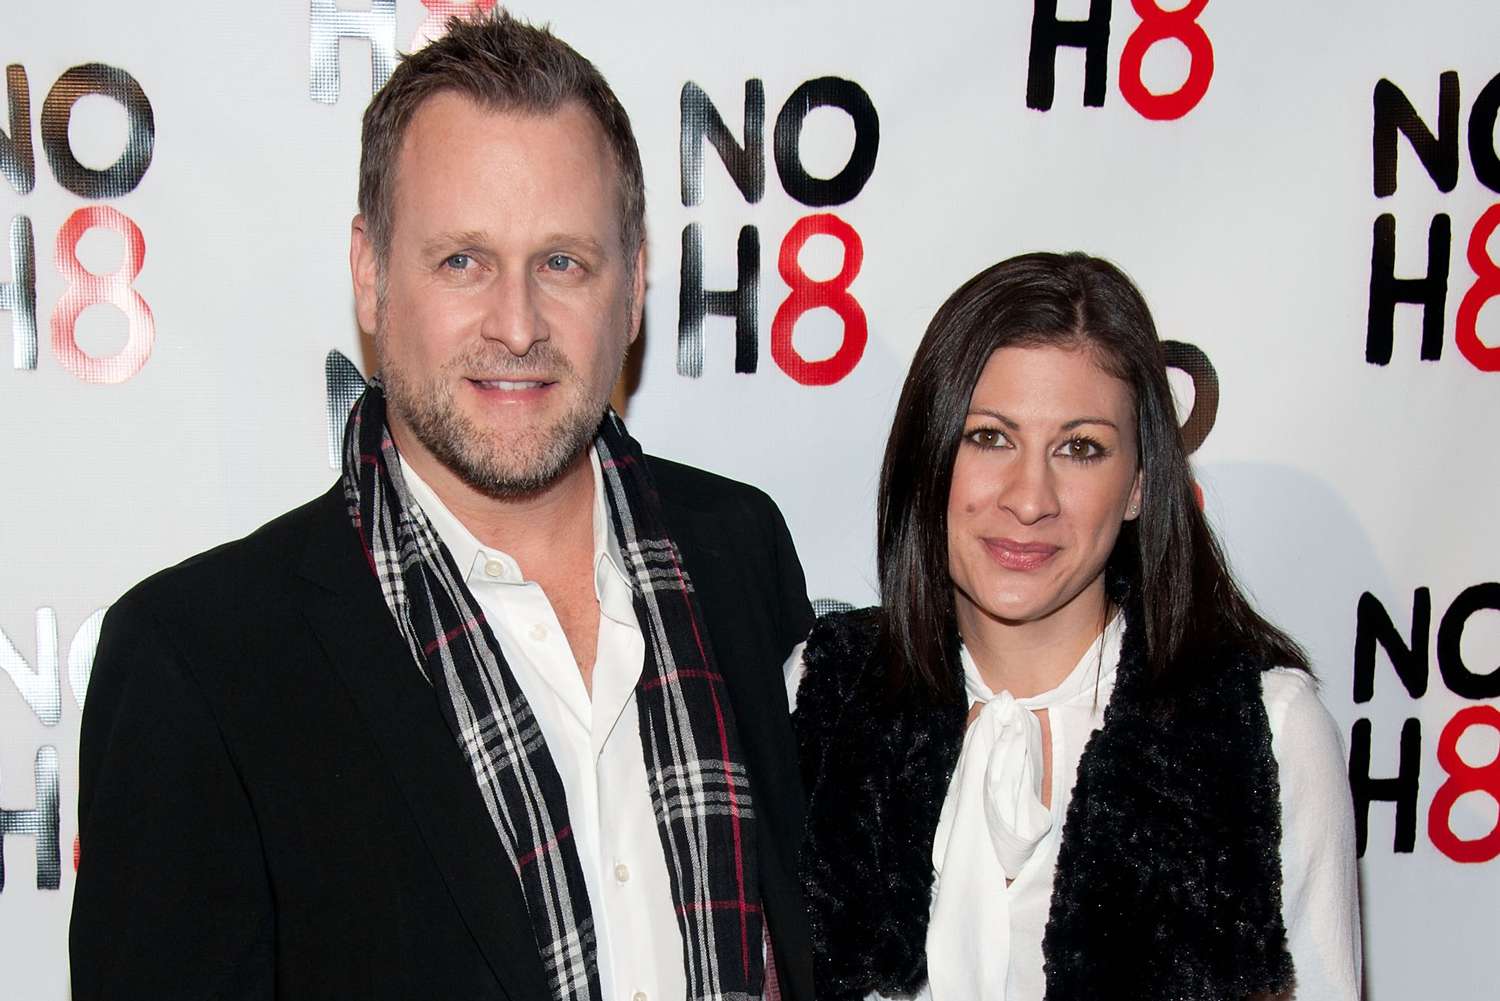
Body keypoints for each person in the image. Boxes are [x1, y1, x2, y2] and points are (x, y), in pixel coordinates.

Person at [70, 13, 813, 1001]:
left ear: (633, 289)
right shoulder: (200, 660)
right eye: (463, 259)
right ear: (371, 276)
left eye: (563, 262)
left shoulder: (737, 552)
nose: (516, 324)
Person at [791, 252, 1360, 1001]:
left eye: (1080, 448)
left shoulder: (1264, 731)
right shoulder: (826, 690)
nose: (1030, 498)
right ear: (928, 457)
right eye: (989, 437)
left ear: (1138, 486)